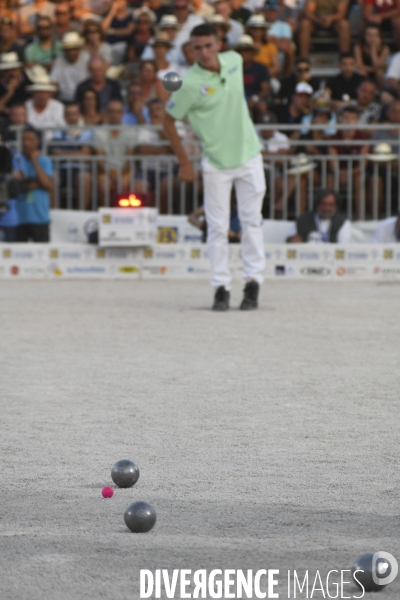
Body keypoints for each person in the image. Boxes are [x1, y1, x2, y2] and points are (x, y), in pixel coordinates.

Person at [164, 23, 266, 311]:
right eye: (198, 48)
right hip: (216, 162)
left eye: (209, 45)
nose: (205, 52)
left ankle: (253, 284)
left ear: (219, 43)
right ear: (191, 50)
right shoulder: (188, 83)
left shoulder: (235, 60)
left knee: (252, 222)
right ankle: (221, 287)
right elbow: (167, 120)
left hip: (249, 154)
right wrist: (184, 161)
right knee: (217, 228)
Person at [13, 126, 54, 242]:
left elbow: (47, 184)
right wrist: (36, 183)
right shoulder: (16, 161)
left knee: (43, 257)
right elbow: (17, 184)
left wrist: (35, 161)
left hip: (39, 218)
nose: (26, 143)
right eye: (24, 139)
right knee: (18, 258)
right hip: (20, 218)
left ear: (37, 142)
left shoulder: (44, 161)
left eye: (30, 140)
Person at [50, 103, 93, 209]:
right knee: (51, 177)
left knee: (85, 178)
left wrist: (64, 153)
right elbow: (55, 152)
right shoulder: (58, 132)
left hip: (80, 169)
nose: (72, 117)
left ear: (80, 115)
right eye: (69, 114)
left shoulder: (87, 132)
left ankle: (81, 213)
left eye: (74, 114)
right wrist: (77, 154)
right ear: (64, 117)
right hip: (61, 169)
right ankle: (53, 212)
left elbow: (85, 154)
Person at [93, 99, 135, 205]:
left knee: (123, 185)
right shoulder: (99, 131)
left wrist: (120, 175)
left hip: (125, 171)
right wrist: (111, 175)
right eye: (111, 111)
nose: (114, 115)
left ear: (122, 113)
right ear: (107, 113)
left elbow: (130, 159)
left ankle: (122, 216)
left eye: (118, 112)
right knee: (104, 187)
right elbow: (100, 159)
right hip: (105, 171)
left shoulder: (131, 131)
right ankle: (105, 215)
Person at [286, 188, 351, 243]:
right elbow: (290, 240)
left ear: (336, 206)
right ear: (317, 204)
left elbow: (344, 247)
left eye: (330, 205)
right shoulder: (303, 219)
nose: (326, 208)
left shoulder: (342, 222)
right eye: (323, 204)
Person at [50, 32, 89, 103]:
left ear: (79, 49)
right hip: (63, 100)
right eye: (68, 49)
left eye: (74, 49)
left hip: (83, 100)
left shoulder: (87, 59)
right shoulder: (59, 61)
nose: (71, 52)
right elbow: (53, 82)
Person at [263, 0, 294, 77]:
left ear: (278, 11)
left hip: (278, 55)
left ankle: (286, 77)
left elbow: (285, 46)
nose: (272, 13)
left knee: (290, 48)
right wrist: (278, 40)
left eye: (274, 10)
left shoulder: (284, 25)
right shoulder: (258, 23)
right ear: (264, 10)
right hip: (262, 52)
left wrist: (272, 39)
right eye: (269, 10)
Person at [354, 25, 390, 90]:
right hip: (365, 70)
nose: (372, 38)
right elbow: (359, 65)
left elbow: (378, 64)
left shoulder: (385, 48)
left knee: (379, 73)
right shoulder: (359, 47)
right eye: (369, 35)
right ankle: (364, 91)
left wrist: (373, 49)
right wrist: (373, 69)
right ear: (364, 36)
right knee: (362, 72)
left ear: (380, 37)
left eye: (375, 35)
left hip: (377, 71)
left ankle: (381, 93)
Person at [245, 14, 280, 79]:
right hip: (247, 78)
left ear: (264, 30)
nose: (257, 31)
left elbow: (276, 67)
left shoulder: (270, 46)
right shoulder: (244, 46)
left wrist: (262, 76)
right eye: (254, 28)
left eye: (260, 28)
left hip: (267, 78)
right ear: (249, 30)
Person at [102, 0, 135, 65]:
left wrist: (111, 31)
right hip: (107, 43)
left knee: (117, 49)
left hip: (122, 44)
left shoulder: (130, 16)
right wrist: (112, 12)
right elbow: (102, 29)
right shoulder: (108, 14)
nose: (119, 3)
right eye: (117, 1)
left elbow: (128, 31)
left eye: (121, 1)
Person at [0, 52, 30, 116]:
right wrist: (9, 93)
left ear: (20, 69)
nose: (11, 73)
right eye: (7, 70)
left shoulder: (28, 83)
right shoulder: (1, 85)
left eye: (13, 69)